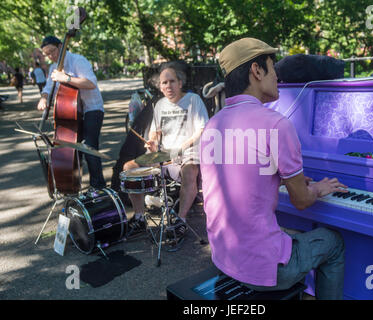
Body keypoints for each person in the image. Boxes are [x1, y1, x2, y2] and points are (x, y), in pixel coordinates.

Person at [199, 38, 348, 299]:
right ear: (256, 71)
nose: (278, 75)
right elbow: (301, 201)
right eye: (273, 67)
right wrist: (318, 188)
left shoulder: (213, 125)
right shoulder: (276, 124)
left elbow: (237, 172)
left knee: (292, 233)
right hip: (262, 269)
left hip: (223, 257)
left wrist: (277, 180)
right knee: (333, 242)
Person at [124, 61, 209, 238]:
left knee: (189, 171)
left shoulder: (194, 100)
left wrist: (180, 148)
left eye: (172, 81)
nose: (168, 85)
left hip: (187, 153)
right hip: (163, 154)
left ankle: (181, 220)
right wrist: (152, 142)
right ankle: (139, 216)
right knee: (128, 168)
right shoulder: (160, 105)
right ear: (160, 87)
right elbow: (156, 132)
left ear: (180, 82)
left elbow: (202, 130)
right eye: (164, 82)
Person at [37, 35, 106, 190]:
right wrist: (44, 98)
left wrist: (66, 78)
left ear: (61, 46)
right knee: (72, 150)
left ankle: (98, 186)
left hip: (92, 108)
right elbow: (48, 87)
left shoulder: (78, 60)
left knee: (89, 146)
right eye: (47, 54)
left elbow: (91, 83)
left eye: (52, 52)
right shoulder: (52, 67)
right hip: (73, 112)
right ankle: (74, 186)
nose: (51, 56)